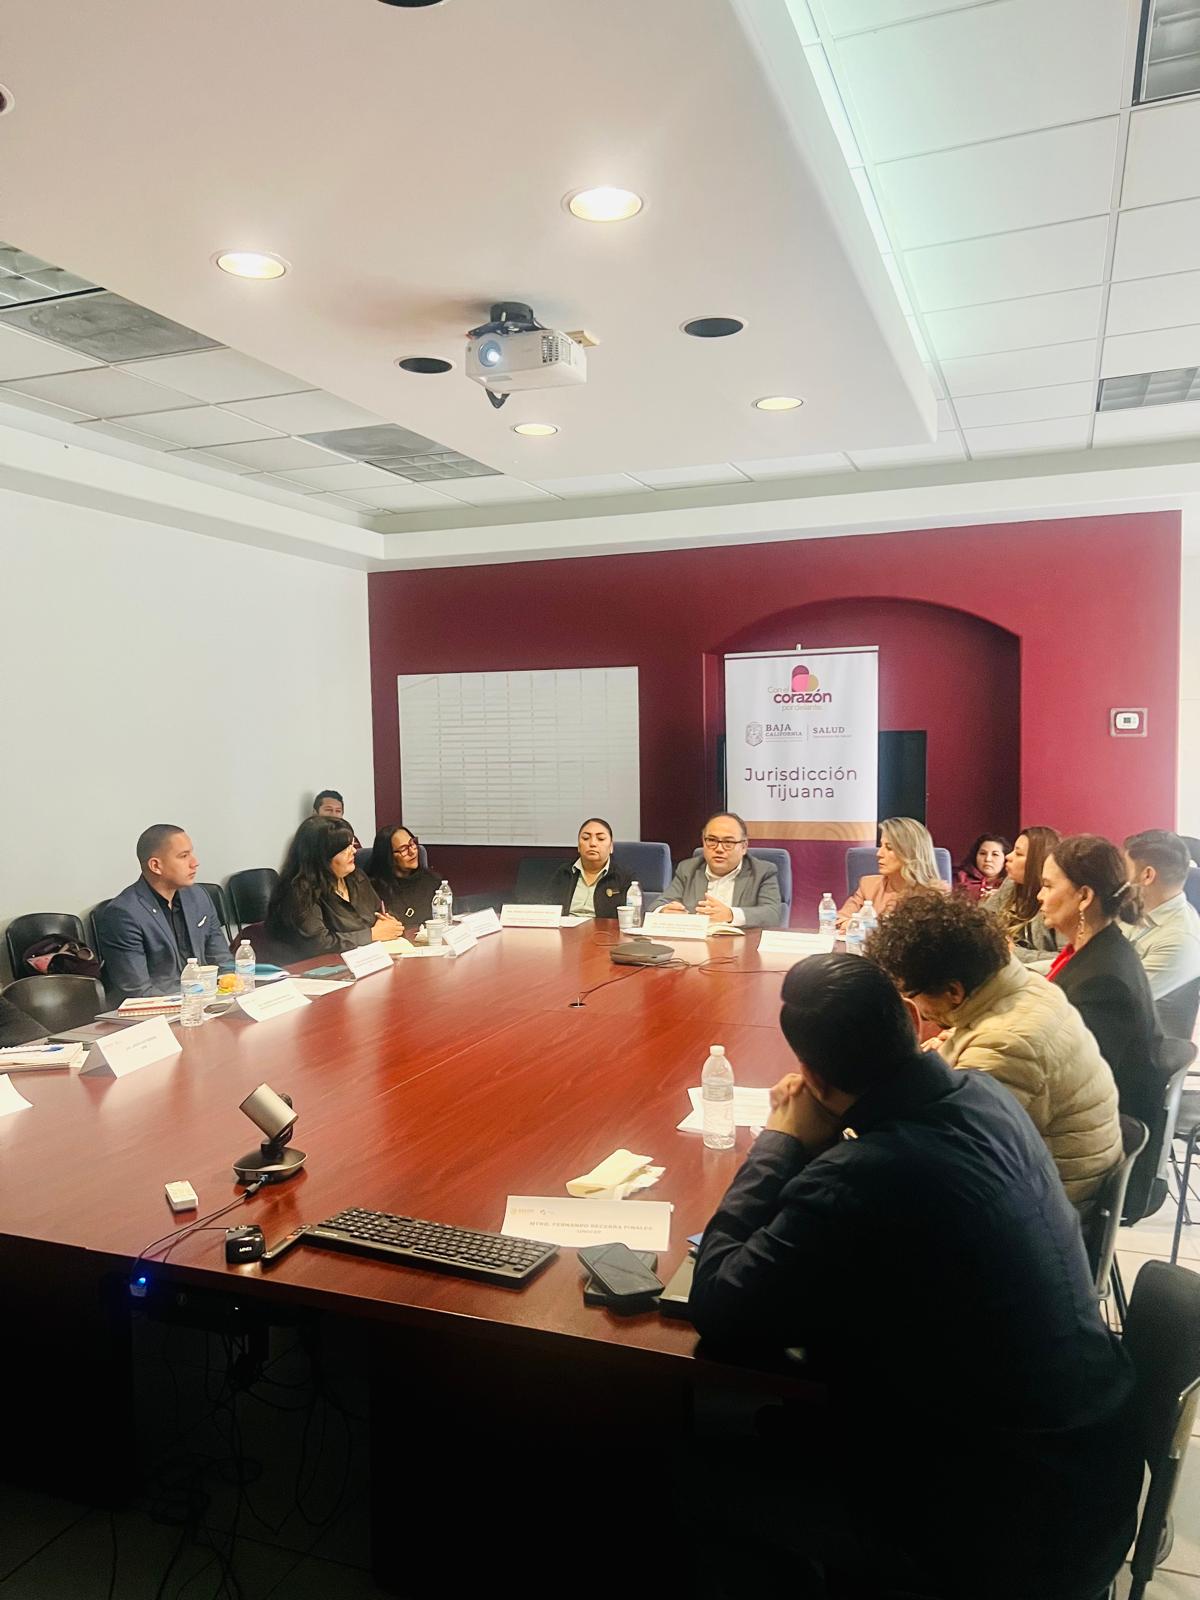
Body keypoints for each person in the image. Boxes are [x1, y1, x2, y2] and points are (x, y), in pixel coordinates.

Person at [688, 953, 1140, 1598]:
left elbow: (718, 1304)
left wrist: (779, 1141)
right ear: (910, 1016)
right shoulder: (982, 1094)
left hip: (987, 1532)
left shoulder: (864, 1175)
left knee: (677, 1464)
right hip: (1083, 1475)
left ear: (811, 1076)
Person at [866, 891, 1121, 1203]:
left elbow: (953, 1154)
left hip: (1057, 1199)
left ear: (954, 991)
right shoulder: (1027, 988)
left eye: (911, 994)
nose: (916, 1007)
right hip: (1072, 1169)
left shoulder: (1004, 1046)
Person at [1040, 833, 1163, 1132]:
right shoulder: (1097, 949)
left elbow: (1073, 1081)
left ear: (1084, 896)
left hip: (1102, 1129)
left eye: (1048, 886)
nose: (1039, 896)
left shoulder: (1104, 981)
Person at [99, 825, 233, 1002]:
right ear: (156, 866)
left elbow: (223, 962)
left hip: (205, 1002)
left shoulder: (198, 897)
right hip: (156, 1011)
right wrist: (192, 1002)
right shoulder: (123, 914)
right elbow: (138, 992)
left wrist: (230, 991)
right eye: (183, 856)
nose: (194, 862)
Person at [267, 817, 402, 958]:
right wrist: (372, 934)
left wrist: (390, 922)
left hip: (366, 958)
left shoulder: (356, 877)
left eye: (352, 844)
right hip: (320, 966)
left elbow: (379, 911)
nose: (354, 851)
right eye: (344, 848)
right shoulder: (300, 891)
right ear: (321, 855)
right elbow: (318, 943)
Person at [656, 812, 783, 928]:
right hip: (696, 942)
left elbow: (772, 914)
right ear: (703, 842)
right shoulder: (688, 869)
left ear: (744, 847)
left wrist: (730, 914)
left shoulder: (762, 872)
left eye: (728, 842)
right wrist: (664, 910)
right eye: (712, 840)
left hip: (739, 943)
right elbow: (659, 904)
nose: (719, 849)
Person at [1123, 828, 1200, 1002]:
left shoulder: (1179, 940)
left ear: (1147, 875)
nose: (1122, 879)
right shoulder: (1137, 909)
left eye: (1125, 869)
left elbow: (1117, 996)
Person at [837, 815, 944, 929]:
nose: (879, 854)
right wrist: (864, 926)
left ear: (910, 853)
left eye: (889, 848)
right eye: (881, 846)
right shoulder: (868, 885)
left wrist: (866, 926)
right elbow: (839, 920)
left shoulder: (934, 894)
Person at [987, 824, 1060, 966]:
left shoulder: (1058, 898)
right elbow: (983, 919)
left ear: (1037, 862)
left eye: (1019, 854)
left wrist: (1012, 952)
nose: (1008, 856)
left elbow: (1067, 959)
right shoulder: (1011, 883)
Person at [542, 818, 632, 920]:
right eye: (585, 838)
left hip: (603, 929)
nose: (592, 843)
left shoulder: (623, 877)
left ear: (611, 847)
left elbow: (631, 916)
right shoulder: (564, 873)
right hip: (566, 928)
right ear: (578, 846)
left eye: (600, 839)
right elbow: (546, 910)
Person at [369, 824, 440, 931]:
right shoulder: (373, 889)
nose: (412, 851)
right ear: (388, 856)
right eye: (404, 849)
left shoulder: (432, 881)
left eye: (412, 843)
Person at [953, 832, 1009, 900]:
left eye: (995, 854)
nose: (988, 859)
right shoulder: (960, 878)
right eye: (983, 853)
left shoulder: (1011, 884)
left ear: (1005, 859)